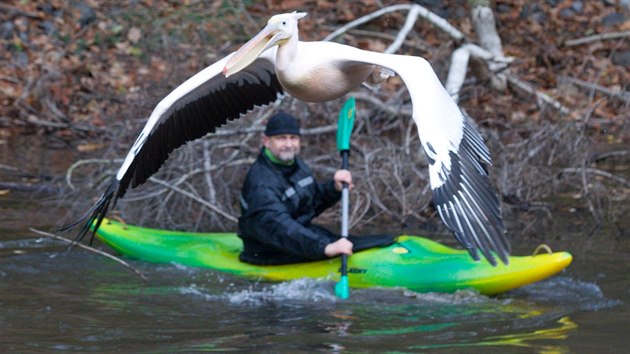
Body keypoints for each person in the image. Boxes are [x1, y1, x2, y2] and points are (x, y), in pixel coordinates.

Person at [237, 112, 395, 265]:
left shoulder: (297, 166)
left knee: (375, 241)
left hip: (299, 237)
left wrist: (333, 188)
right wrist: (324, 247)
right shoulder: (260, 183)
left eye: (293, 138)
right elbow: (278, 227)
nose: (288, 144)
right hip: (268, 251)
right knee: (353, 245)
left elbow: (309, 203)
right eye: (281, 138)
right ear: (266, 141)